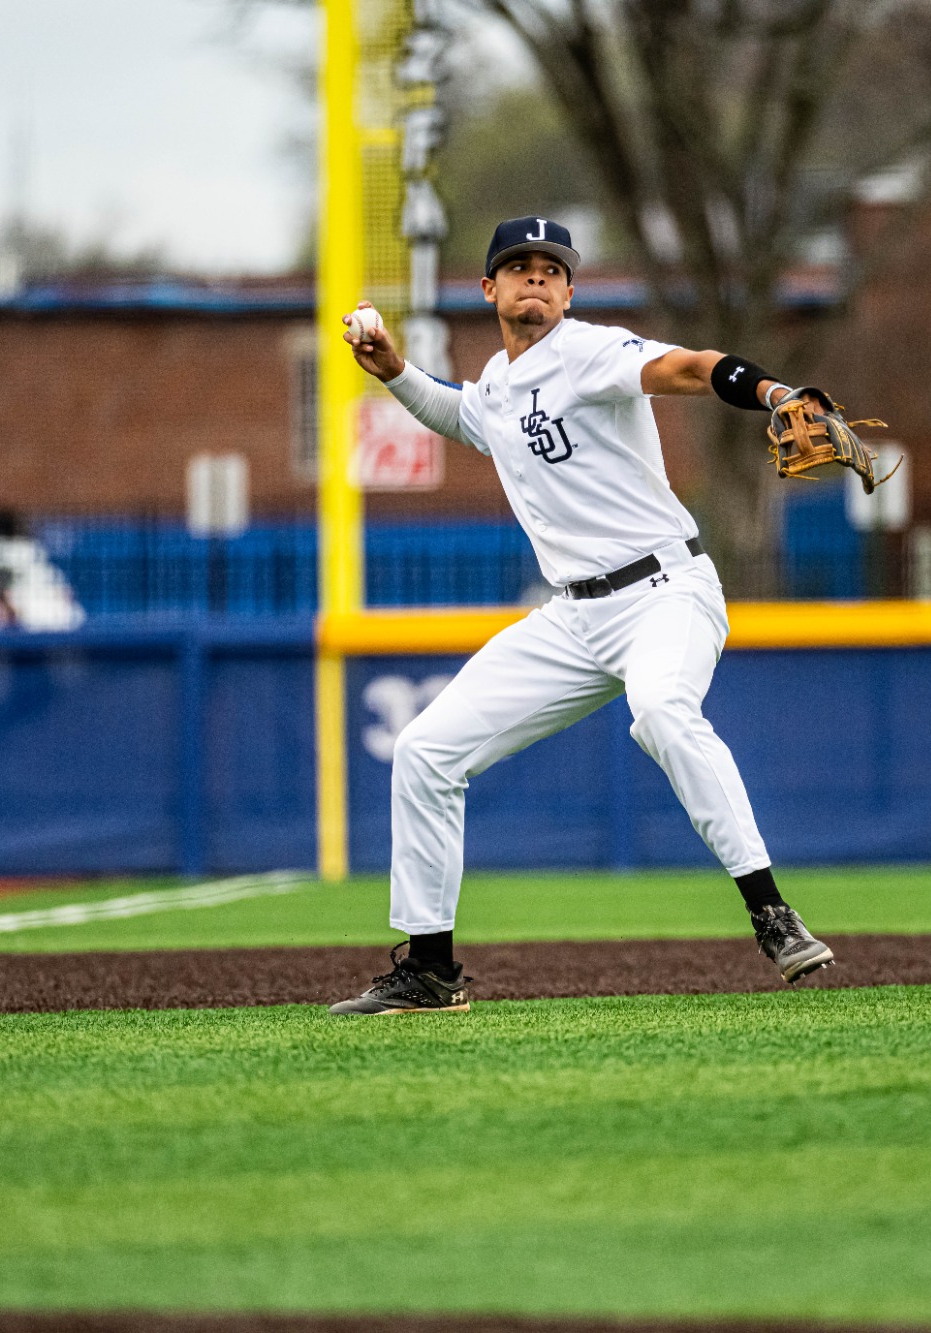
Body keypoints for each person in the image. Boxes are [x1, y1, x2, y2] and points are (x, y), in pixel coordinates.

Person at [329, 215, 833, 1016]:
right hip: (574, 617)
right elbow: (464, 416)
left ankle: (771, 912)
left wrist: (772, 390)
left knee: (662, 710)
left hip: (666, 591)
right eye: (518, 267)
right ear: (489, 288)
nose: (535, 278)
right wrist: (394, 371)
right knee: (426, 750)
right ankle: (429, 969)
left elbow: (690, 366)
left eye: (550, 269)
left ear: (569, 290)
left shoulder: (591, 352)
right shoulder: (496, 381)